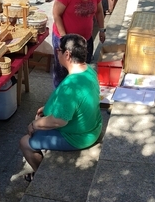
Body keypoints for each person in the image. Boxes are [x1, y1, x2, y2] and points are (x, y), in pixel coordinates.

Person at [19, 34, 103, 182]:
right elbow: (73, 103)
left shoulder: (71, 86)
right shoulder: (89, 70)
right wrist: (48, 107)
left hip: (78, 137)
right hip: (93, 127)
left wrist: (34, 124)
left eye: (58, 50)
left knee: (25, 142)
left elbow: (59, 121)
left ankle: (40, 177)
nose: (57, 53)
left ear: (67, 54)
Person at [52, 0, 105, 87]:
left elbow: (99, 11)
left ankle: (78, 92)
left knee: (82, 69)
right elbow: (56, 14)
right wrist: (64, 38)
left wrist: (102, 29)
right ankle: (60, 94)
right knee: (62, 73)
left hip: (85, 39)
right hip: (66, 39)